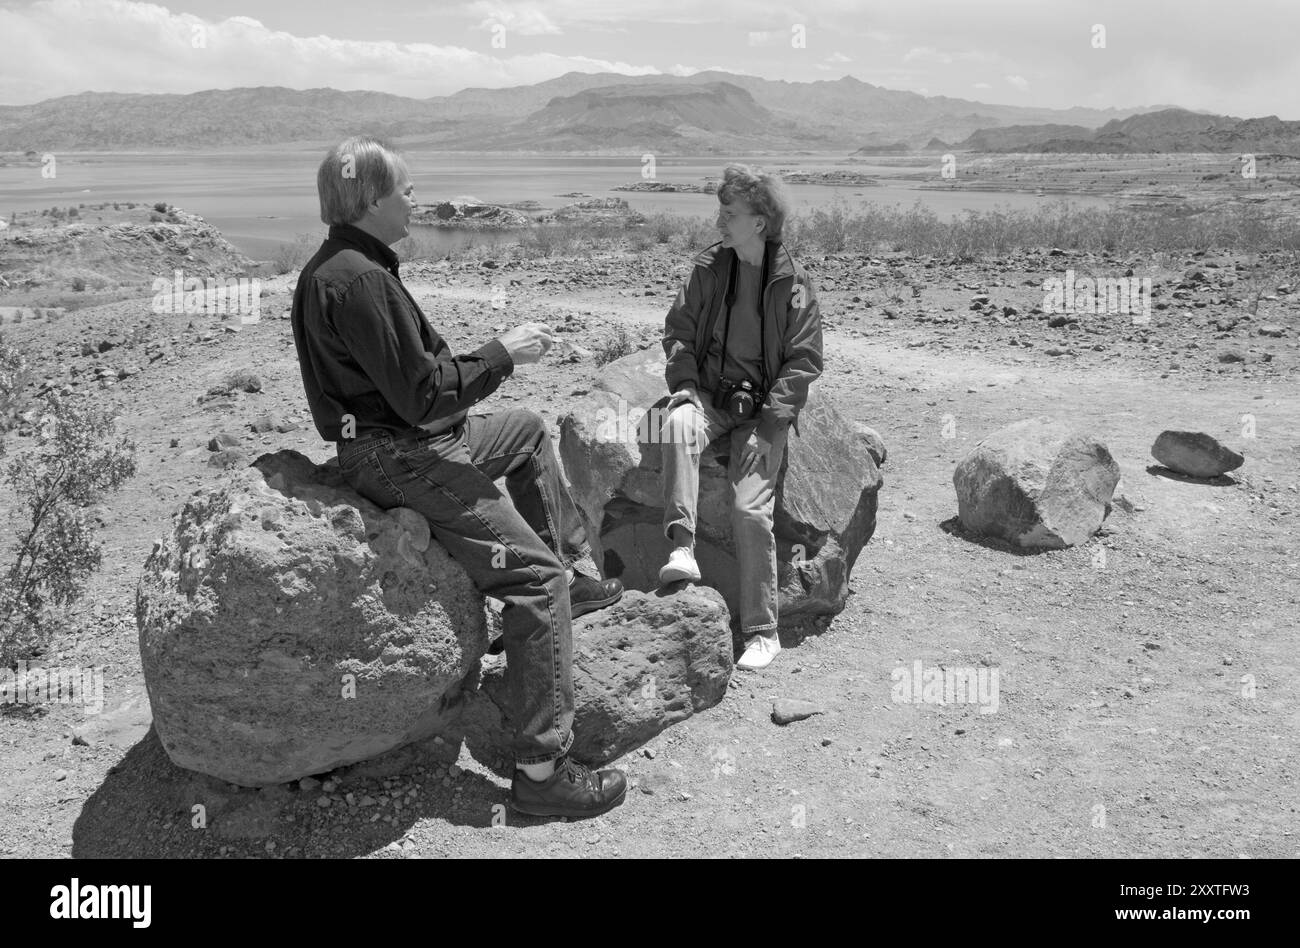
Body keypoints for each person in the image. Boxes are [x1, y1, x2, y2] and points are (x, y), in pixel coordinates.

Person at [290, 136, 626, 819]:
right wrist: (502, 353)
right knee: (534, 581)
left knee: (528, 431)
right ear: (371, 199)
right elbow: (423, 395)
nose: (415, 200)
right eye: (406, 191)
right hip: (403, 453)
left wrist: (497, 361)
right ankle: (541, 772)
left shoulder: (349, 266)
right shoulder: (358, 280)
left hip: (410, 438)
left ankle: (578, 581)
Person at [658, 164, 823, 671]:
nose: (719, 222)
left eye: (729, 214)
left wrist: (772, 426)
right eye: (720, 211)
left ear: (760, 220)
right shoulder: (710, 267)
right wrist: (685, 385)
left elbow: (804, 359)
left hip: (759, 413)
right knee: (678, 424)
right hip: (710, 396)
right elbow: (679, 329)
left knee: (749, 507)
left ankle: (761, 629)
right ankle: (682, 548)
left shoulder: (792, 282)